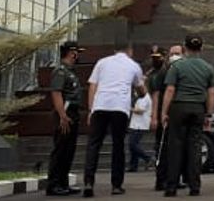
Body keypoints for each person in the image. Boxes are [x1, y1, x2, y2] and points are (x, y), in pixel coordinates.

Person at [83, 43, 146, 197]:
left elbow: (92, 86)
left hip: (100, 106)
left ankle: (88, 183)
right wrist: (141, 90)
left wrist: (91, 110)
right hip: (120, 108)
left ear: (114, 50)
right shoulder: (134, 65)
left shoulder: (102, 62)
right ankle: (116, 185)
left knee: (93, 145)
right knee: (118, 146)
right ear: (130, 50)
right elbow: (142, 90)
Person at [161, 35, 214, 197]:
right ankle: (194, 186)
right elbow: (211, 93)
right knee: (195, 147)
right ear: (201, 48)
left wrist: (164, 112)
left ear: (184, 47)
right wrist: (209, 114)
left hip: (179, 107)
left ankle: (171, 186)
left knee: (175, 147)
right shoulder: (208, 68)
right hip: (198, 108)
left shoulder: (177, 66)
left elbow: (170, 90)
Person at [46, 41, 85, 197]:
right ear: (71, 52)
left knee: (69, 150)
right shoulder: (60, 71)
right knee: (61, 149)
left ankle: (63, 183)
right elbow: (56, 93)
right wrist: (62, 115)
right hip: (65, 113)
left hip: (73, 113)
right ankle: (53, 185)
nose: (79, 56)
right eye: (77, 52)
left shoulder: (71, 71)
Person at [152, 44, 184, 192]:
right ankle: (161, 180)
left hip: (178, 115)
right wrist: (155, 116)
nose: (174, 56)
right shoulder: (163, 72)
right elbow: (156, 94)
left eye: (177, 53)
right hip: (164, 116)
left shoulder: (183, 71)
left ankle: (174, 178)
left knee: (176, 149)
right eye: (172, 53)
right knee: (163, 148)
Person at [127, 89, 153, 172]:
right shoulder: (139, 96)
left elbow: (140, 111)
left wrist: (129, 108)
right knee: (133, 145)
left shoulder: (145, 97)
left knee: (133, 144)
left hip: (140, 125)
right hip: (135, 124)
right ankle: (133, 166)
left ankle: (148, 158)